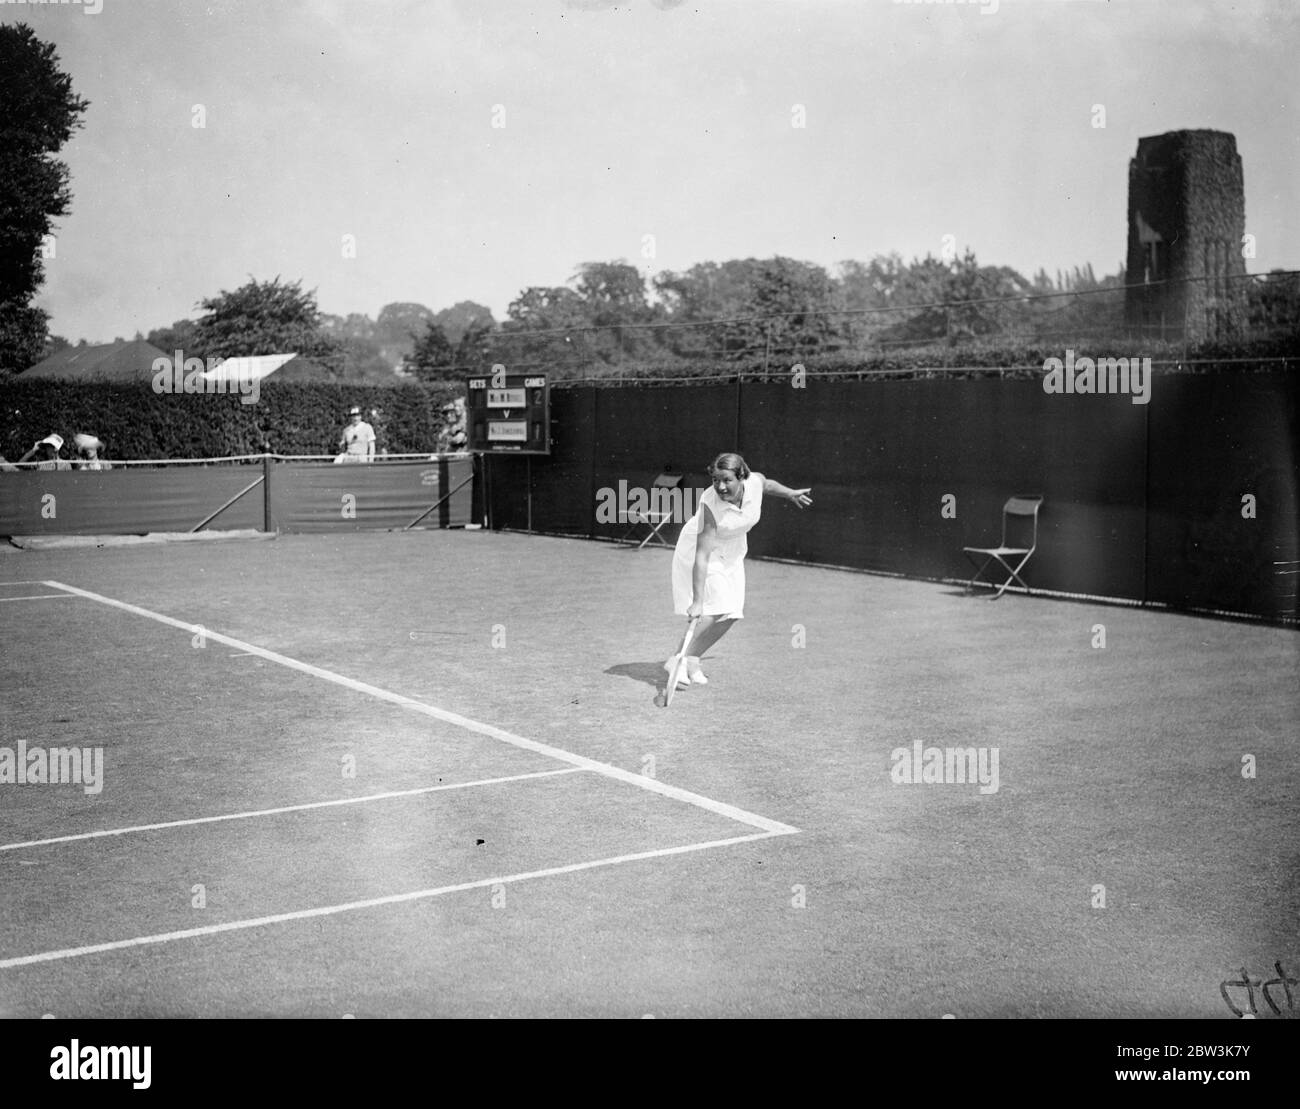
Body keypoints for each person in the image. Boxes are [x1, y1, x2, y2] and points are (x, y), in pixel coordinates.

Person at [666, 452, 812, 689]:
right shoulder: (709, 504)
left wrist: (789, 493)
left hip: (732, 552)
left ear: (741, 477)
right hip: (701, 550)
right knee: (712, 610)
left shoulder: (753, 482)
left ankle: (692, 658)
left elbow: (767, 484)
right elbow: (702, 555)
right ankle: (677, 660)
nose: (720, 486)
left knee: (733, 613)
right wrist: (698, 601)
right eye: (715, 480)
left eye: (727, 480)